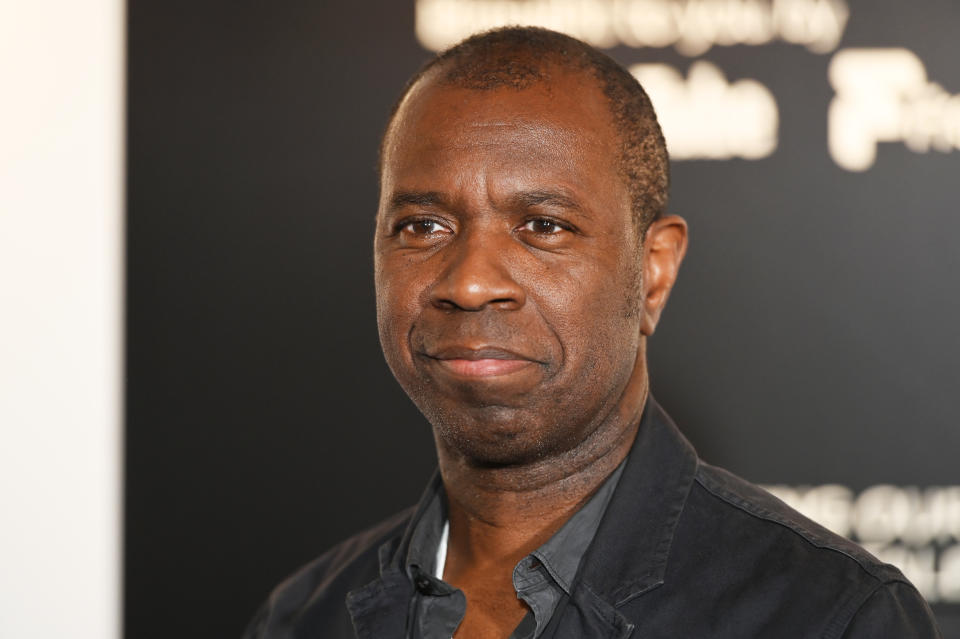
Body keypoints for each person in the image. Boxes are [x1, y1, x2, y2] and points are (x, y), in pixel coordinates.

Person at [243, 27, 941, 638]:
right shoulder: (304, 615)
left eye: (542, 226)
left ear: (653, 271)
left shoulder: (827, 616)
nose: (470, 281)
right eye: (423, 226)